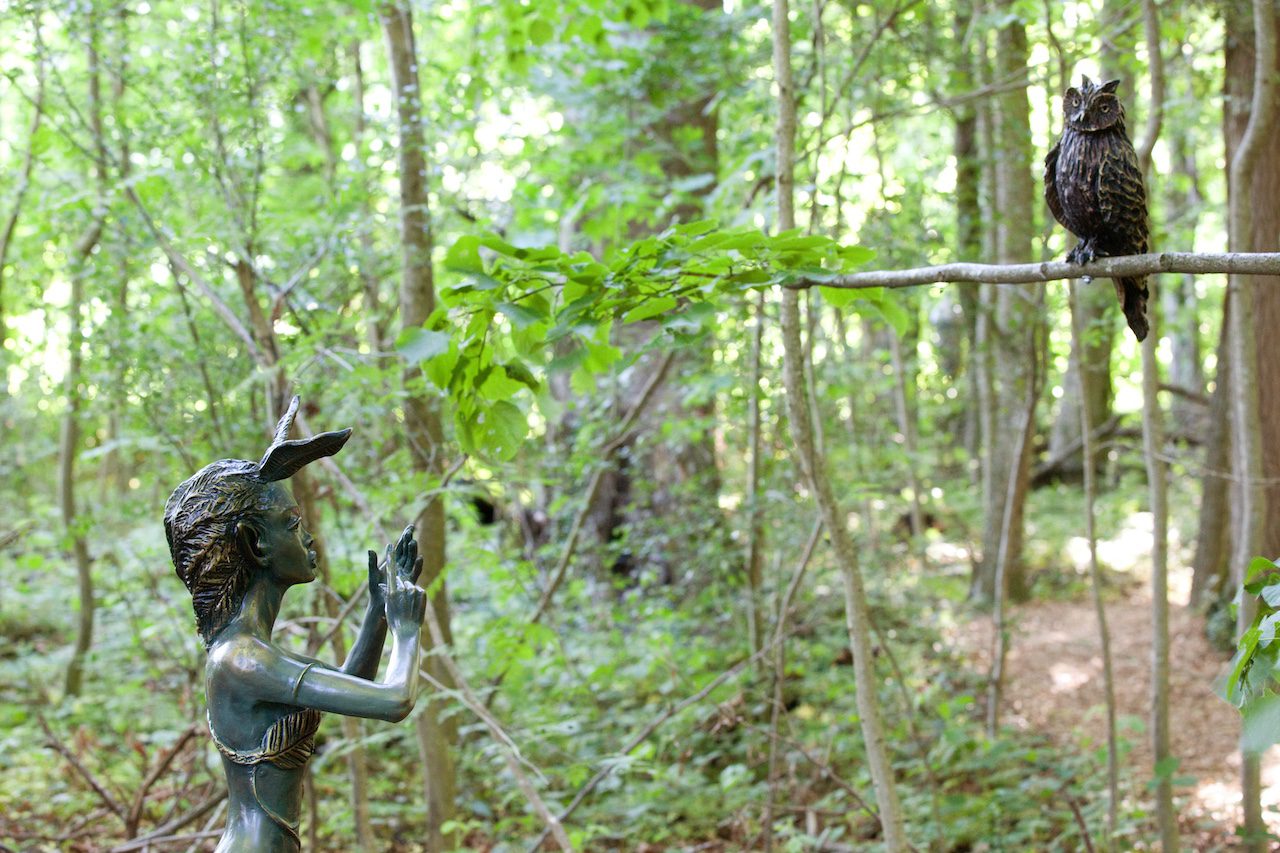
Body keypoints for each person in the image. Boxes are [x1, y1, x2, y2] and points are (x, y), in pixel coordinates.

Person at [164, 397, 427, 852]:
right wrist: (407, 629)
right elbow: (394, 700)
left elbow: (348, 686)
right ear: (255, 544)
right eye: (291, 523)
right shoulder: (243, 660)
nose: (307, 536)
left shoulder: (255, 652)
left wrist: (378, 612)